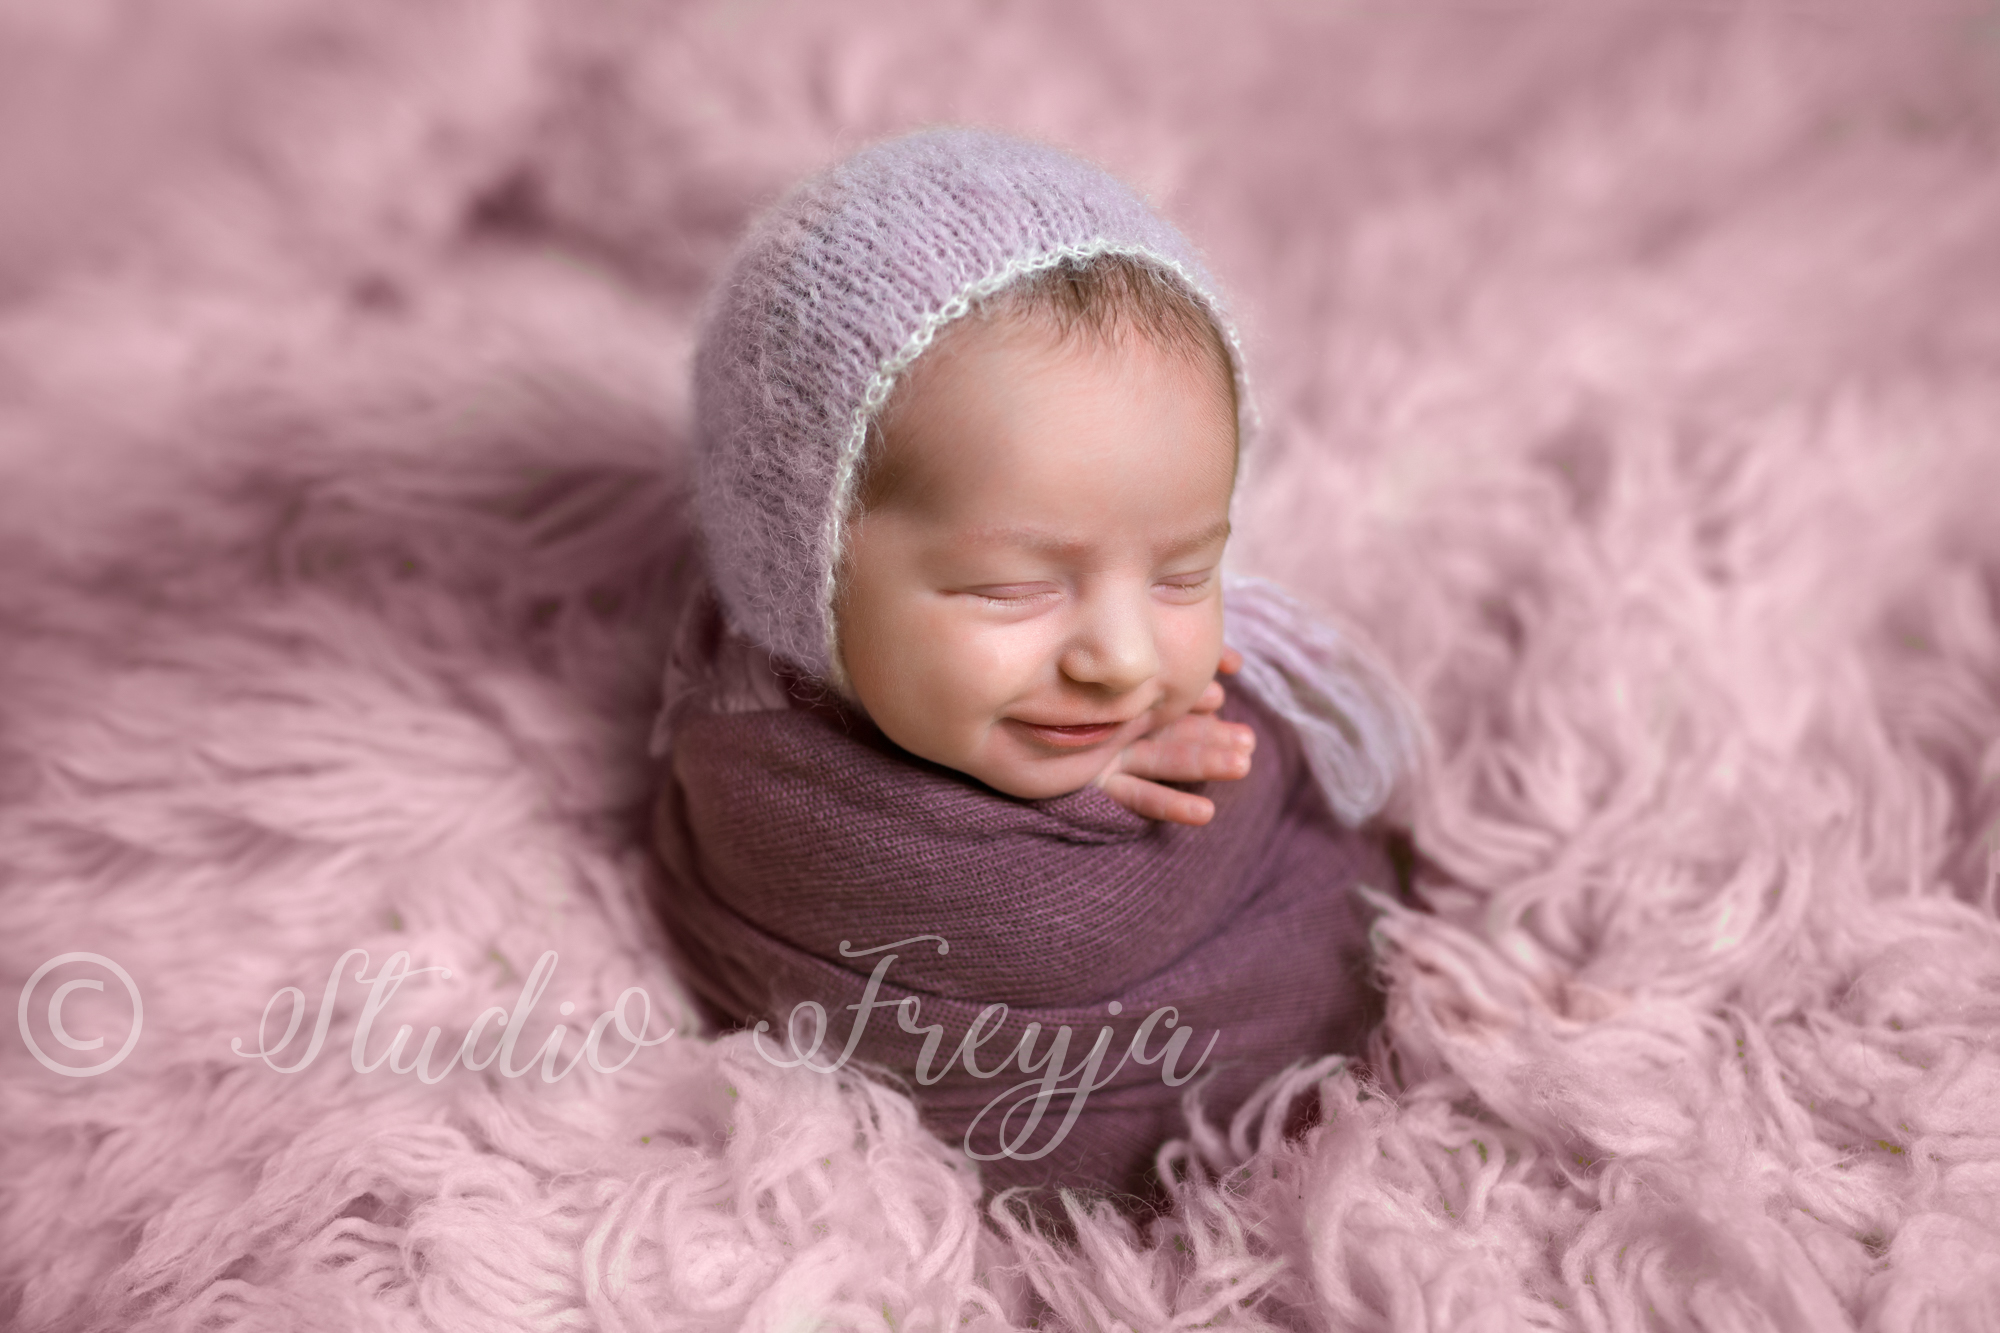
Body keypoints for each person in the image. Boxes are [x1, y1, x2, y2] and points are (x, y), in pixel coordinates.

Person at [649, 126, 1424, 1225]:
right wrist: (1095, 802)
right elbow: (1049, 923)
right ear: (799, 566)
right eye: (1012, 590)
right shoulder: (761, 789)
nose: (1117, 660)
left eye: (1181, 571)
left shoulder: (1168, 713)